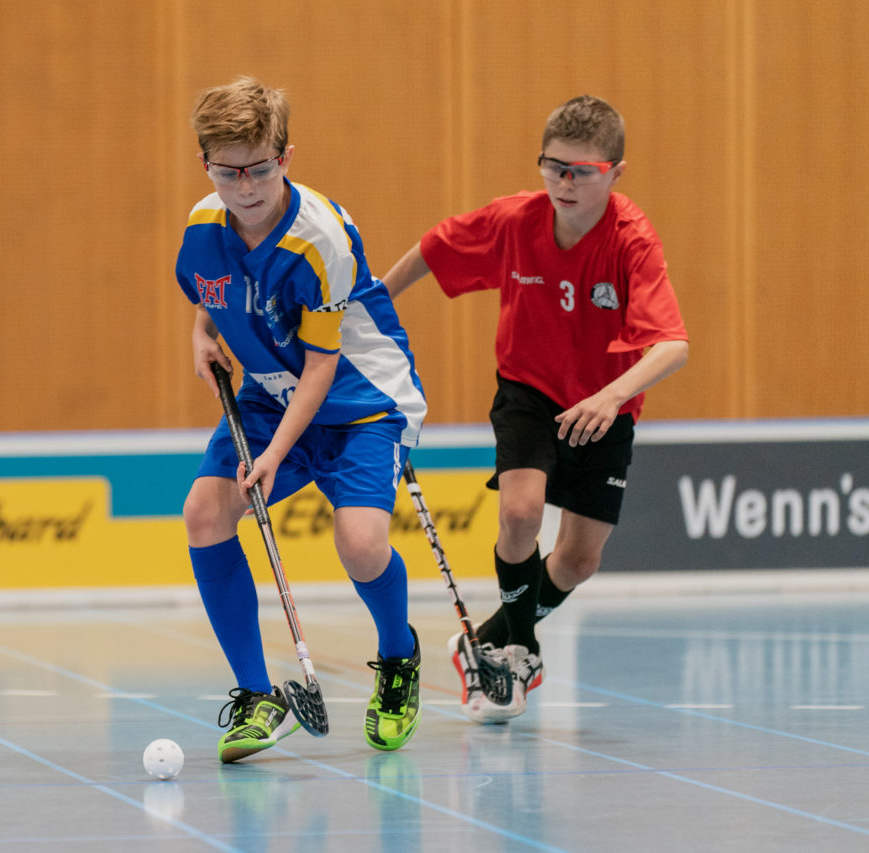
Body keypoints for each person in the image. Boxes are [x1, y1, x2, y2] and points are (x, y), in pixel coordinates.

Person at [381, 95, 689, 723]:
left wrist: (611, 397)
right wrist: (371, 309)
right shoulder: (515, 220)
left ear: (616, 173)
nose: (565, 183)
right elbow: (434, 249)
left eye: (583, 171)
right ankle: (518, 654)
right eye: (554, 167)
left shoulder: (631, 240)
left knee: (578, 560)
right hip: (528, 389)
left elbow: (673, 345)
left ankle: (489, 637)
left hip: (606, 405)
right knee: (520, 513)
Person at [175, 76, 429, 762]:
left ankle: (399, 657)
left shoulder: (321, 238)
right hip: (269, 390)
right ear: (207, 165)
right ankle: (259, 696)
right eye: (228, 171)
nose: (246, 186)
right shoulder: (202, 229)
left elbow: (322, 367)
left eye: (260, 168)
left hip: (358, 399)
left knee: (361, 544)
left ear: (286, 157)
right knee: (205, 512)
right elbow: (213, 287)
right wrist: (202, 331)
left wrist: (272, 454)